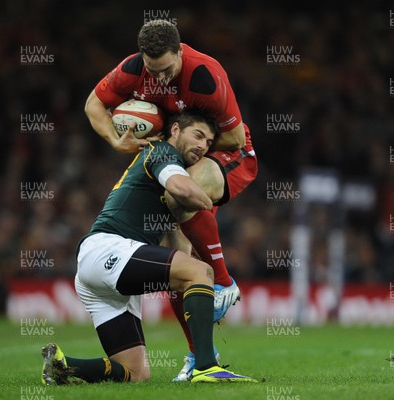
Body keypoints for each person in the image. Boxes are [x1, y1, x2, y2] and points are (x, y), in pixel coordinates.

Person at [84, 19, 258, 380]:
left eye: (166, 70)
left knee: (179, 198)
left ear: (180, 52)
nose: (159, 78)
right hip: (176, 152)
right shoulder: (133, 70)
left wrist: (182, 140)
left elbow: (235, 138)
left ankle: (224, 282)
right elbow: (93, 105)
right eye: (152, 70)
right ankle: (199, 358)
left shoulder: (205, 76)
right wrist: (115, 141)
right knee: (182, 264)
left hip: (224, 152)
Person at [41, 111, 256, 384]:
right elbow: (182, 188)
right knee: (202, 272)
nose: (203, 146)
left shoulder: (163, 164)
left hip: (97, 272)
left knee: (135, 374)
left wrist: (194, 276)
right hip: (108, 249)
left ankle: (62, 366)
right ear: (175, 130)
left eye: (209, 141)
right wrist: (213, 201)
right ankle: (206, 367)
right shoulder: (163, 151)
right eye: (198, 135)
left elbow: (180, 244)